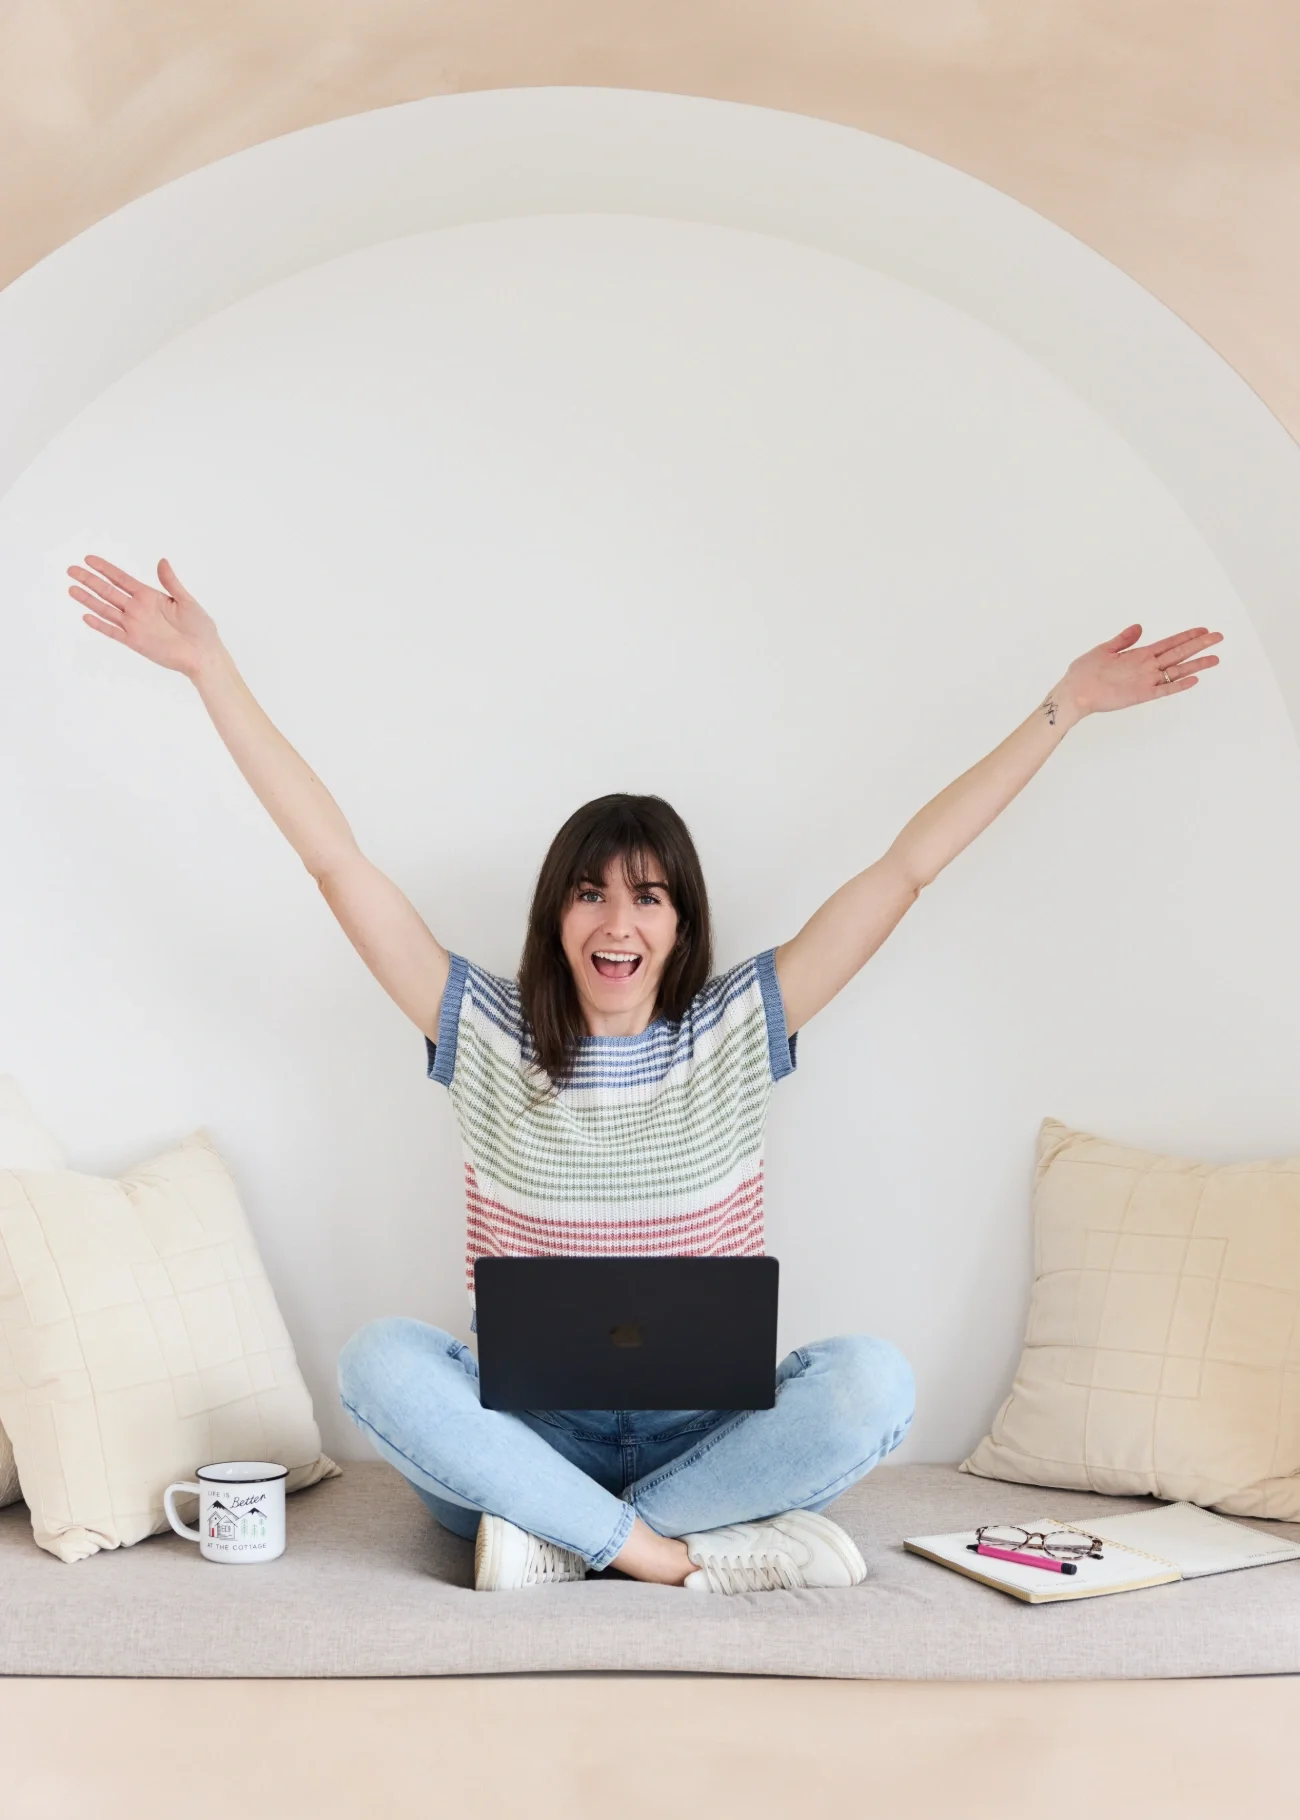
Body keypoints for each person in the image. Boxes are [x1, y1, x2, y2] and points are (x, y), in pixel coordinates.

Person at [68, 552, 1223, 1594]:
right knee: (381, 1361)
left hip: (707, 1441)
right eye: (591, 890)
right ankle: (661, 1554)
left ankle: (572, 1540)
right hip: (522, 1435)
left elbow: (905, 868)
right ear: (556, 914)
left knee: (871, 1382)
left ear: (680, 923)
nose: (616, 919)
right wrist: (210, 669)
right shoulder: (484, 1026)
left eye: (647, 893)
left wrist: (1060, 709)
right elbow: (334, 859)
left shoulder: (734, 1026)